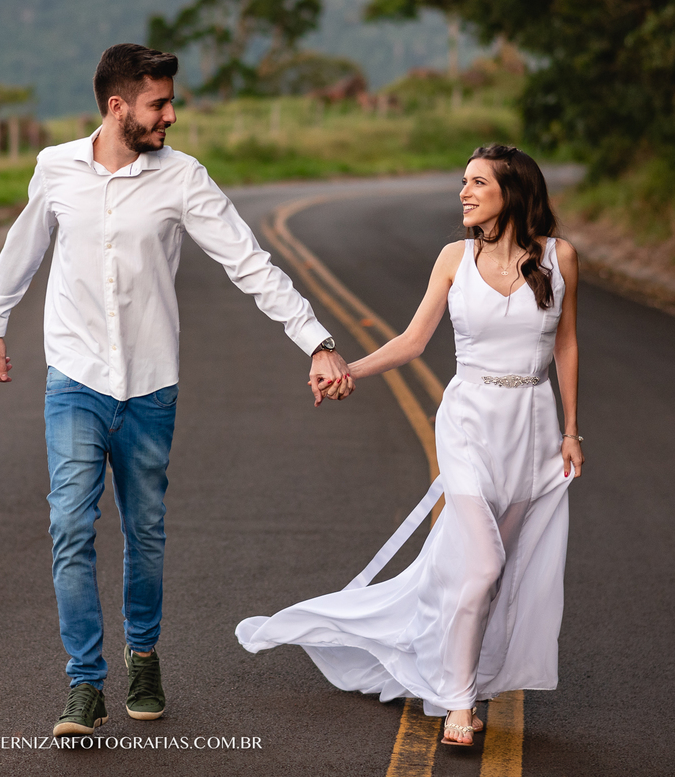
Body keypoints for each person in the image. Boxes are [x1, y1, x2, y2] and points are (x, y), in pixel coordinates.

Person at [0, 43, 351, 736]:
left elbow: (250, 262)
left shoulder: (184, 178)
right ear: (117, 106)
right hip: (76, 380)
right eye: (158, 103)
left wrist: (317, 340)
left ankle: (142, 653)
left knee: (145, 532)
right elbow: (23, 246)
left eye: (171, 102)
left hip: (151, 385)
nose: (171, 115)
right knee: (69, 526)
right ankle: (84, 683)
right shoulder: (56, 168)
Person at [237, 145, 583, 746]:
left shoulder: (559, 258)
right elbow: (413, 340)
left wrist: (571, 431)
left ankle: (461, 671)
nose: (464, 193)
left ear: (513, 192)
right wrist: (349, 370)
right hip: (468, 420)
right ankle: (457, 704)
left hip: (531, 427)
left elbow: (568, 346)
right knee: (482, 563)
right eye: (463, 182)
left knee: (491, 571)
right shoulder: (454, 258)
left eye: (478, 183)